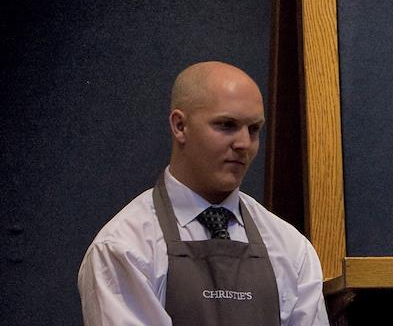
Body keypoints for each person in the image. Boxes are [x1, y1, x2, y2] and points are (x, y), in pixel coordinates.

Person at [78, 61, 329, 325]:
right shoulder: (124, 247)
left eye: (254, 129)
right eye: (227, 125)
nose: (244, 143)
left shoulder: (292, 248)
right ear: (180, 126)